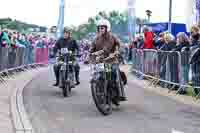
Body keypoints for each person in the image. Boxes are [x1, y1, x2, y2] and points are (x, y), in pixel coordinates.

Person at [89, 19, 127, 101]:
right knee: (97, 74)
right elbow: (91, 50)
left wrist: (116, 51)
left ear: (107, 28)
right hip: (100, 62)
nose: (100, 29)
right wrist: (89, 56)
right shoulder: (96, 39)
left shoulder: (112, 37)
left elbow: (115, 46)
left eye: (102, 28)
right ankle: (99, 91)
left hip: (111, 61)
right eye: (99, 28)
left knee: (113, 72)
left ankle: (120, 93)